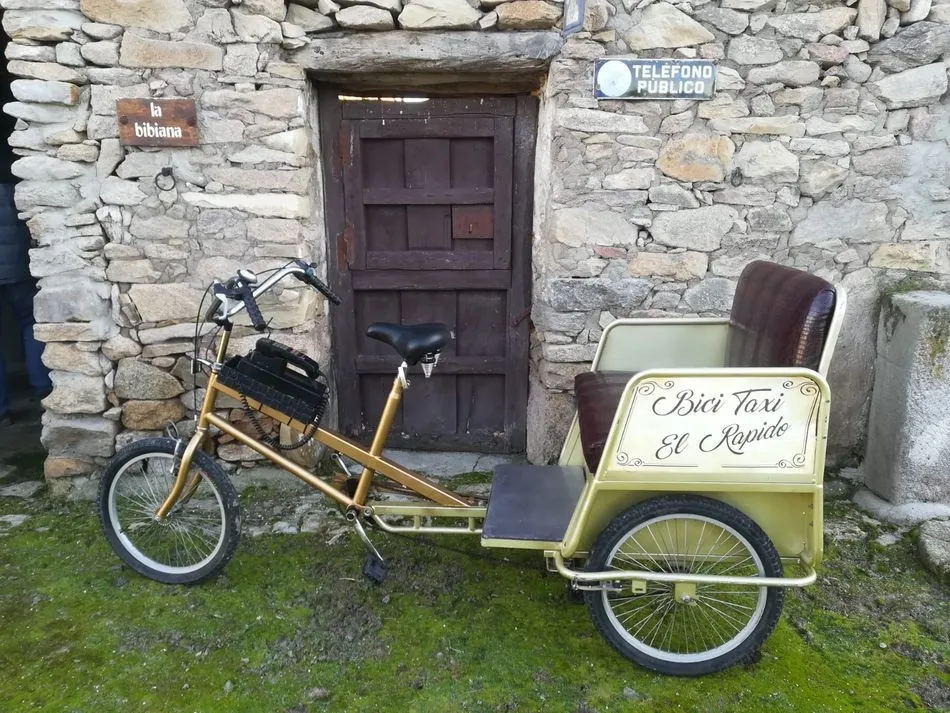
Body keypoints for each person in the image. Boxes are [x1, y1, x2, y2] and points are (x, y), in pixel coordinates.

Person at [0, 181, 51, 427]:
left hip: (17, 269)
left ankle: (2, 412)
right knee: (31, 324)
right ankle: (44, 389)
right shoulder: (13, 188)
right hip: (18, 269)